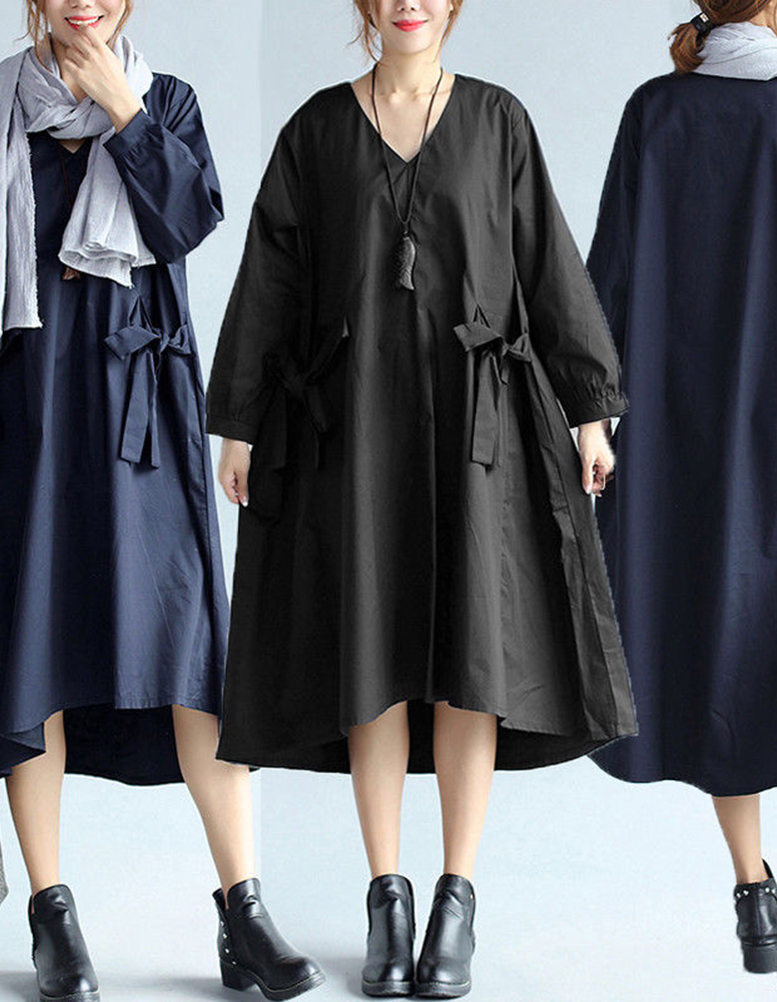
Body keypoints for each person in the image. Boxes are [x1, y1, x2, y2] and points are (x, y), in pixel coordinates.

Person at [205, 0, 637, 996]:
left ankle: (455, 902)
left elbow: (548, 265)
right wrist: (242, 421)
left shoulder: (497, 120)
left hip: (477, 434)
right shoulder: (319, 130)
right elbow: (271, 277)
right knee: (373, 658)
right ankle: (386, 899)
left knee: (468, 660)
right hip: (355, 434)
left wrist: (590, 411)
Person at [0, 2, 322, 1000]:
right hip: (19, 426)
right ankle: (54, 917)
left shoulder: (164, 101)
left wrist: (124, 110)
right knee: (30, 660)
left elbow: (191, 219)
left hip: (143, 423)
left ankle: (245, 911)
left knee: (195, 662)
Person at [587, 2, 777, 999]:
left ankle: (753, 893)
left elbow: (606, 280)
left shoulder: (655, 112)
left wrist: (591, 417)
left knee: (715, 654)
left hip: (681, 444)